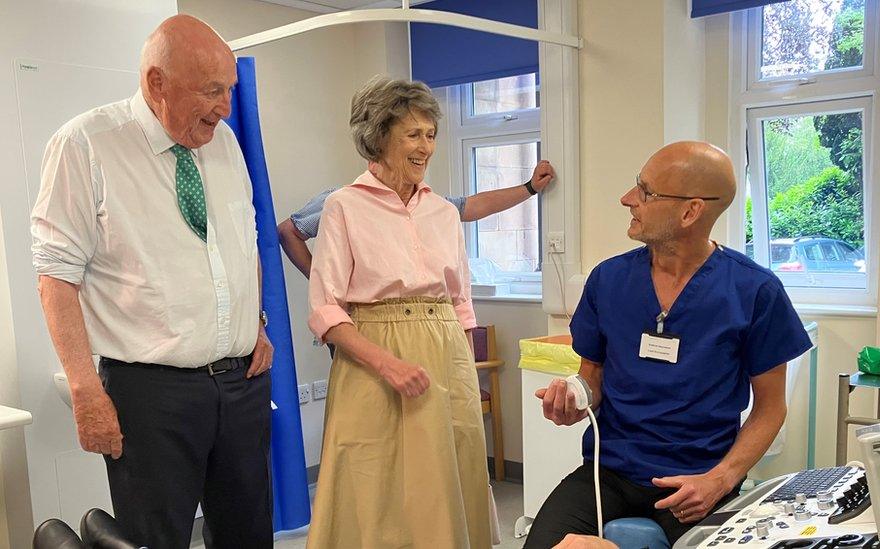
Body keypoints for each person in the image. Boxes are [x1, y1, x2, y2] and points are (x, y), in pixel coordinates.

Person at [31, 15, 273, 549]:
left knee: (248, 534)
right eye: (211, 91)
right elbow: (55, 275)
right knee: (153, 539)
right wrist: (85, 389)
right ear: (156, 82)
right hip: (151, 395)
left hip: (239, 384)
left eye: (229, 90)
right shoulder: (86, 144)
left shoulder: (225, 142)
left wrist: (254, 322)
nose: (224, 107)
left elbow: (243, 240)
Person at [525, 141, 812, 548]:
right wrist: (574, 398)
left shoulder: (754, 291)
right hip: (610, 473)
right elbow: (593, 377)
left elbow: (770, 408)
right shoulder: (608, 281)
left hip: (699, 482)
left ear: (690, 211)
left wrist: (721, 478)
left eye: (645, 192)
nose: (628, 200)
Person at [305, 75, 493, 548]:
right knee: (377, 484)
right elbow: (327, 310)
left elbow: (460, 302)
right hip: (374, 352)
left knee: (446, 476)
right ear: (379, 135)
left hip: (446, 348)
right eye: (413, 134)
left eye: (431, 135)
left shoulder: (444, 213)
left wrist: (465, 368)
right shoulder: (343, 206)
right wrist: (387, 364)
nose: (425, 147)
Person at [278, 162, 555, 278]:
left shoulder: (425, 204)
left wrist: (529, 188)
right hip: (360, 320)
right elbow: (289, 231)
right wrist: (322, 278)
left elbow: (472, 206)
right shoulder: (342, 200)